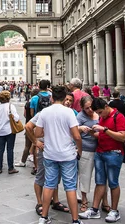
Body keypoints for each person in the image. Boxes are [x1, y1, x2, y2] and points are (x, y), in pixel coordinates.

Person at [35, 86, 83, 224]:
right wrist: (79, 150)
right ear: (64, 99)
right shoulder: (68, 112)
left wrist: (49, 133)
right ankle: (75, 220)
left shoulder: (44, 112)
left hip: (50, 154)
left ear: (52, 98)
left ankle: (43, 217)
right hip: (67, 154)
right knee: (70, 187)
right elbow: (76, 136)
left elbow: (37, 134)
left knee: (49, 185)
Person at [80, 97, 125, 222]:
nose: (99, 115)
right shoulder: (103, 118)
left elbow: (122, 137)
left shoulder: (119, 117)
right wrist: (90, 132)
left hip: (114, 153)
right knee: (99, 181)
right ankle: (94, 209)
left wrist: (105, 129)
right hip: (100, 152)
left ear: (106, 107)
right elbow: (100, 134)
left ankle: (114, 210)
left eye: (100, 112)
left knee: (113, 182)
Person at [77, 95, 99, 213]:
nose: (90, 110)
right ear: (82, 108)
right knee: (85, 176)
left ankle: (103, 200)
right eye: (87, 108)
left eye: (91, 107)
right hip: (86, 149)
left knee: (101, 177)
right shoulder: (80, 117)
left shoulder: (98, 113)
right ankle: (84, 199)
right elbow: (74, 131)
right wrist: (81, 128)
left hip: (100, 149)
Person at [0, 91, 20, 174]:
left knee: (0, 149)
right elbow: (16, 118)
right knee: (10, 149)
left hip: (0, 131)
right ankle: (10, 168)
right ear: (8, 98)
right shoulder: (11, 106)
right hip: (10, 130)